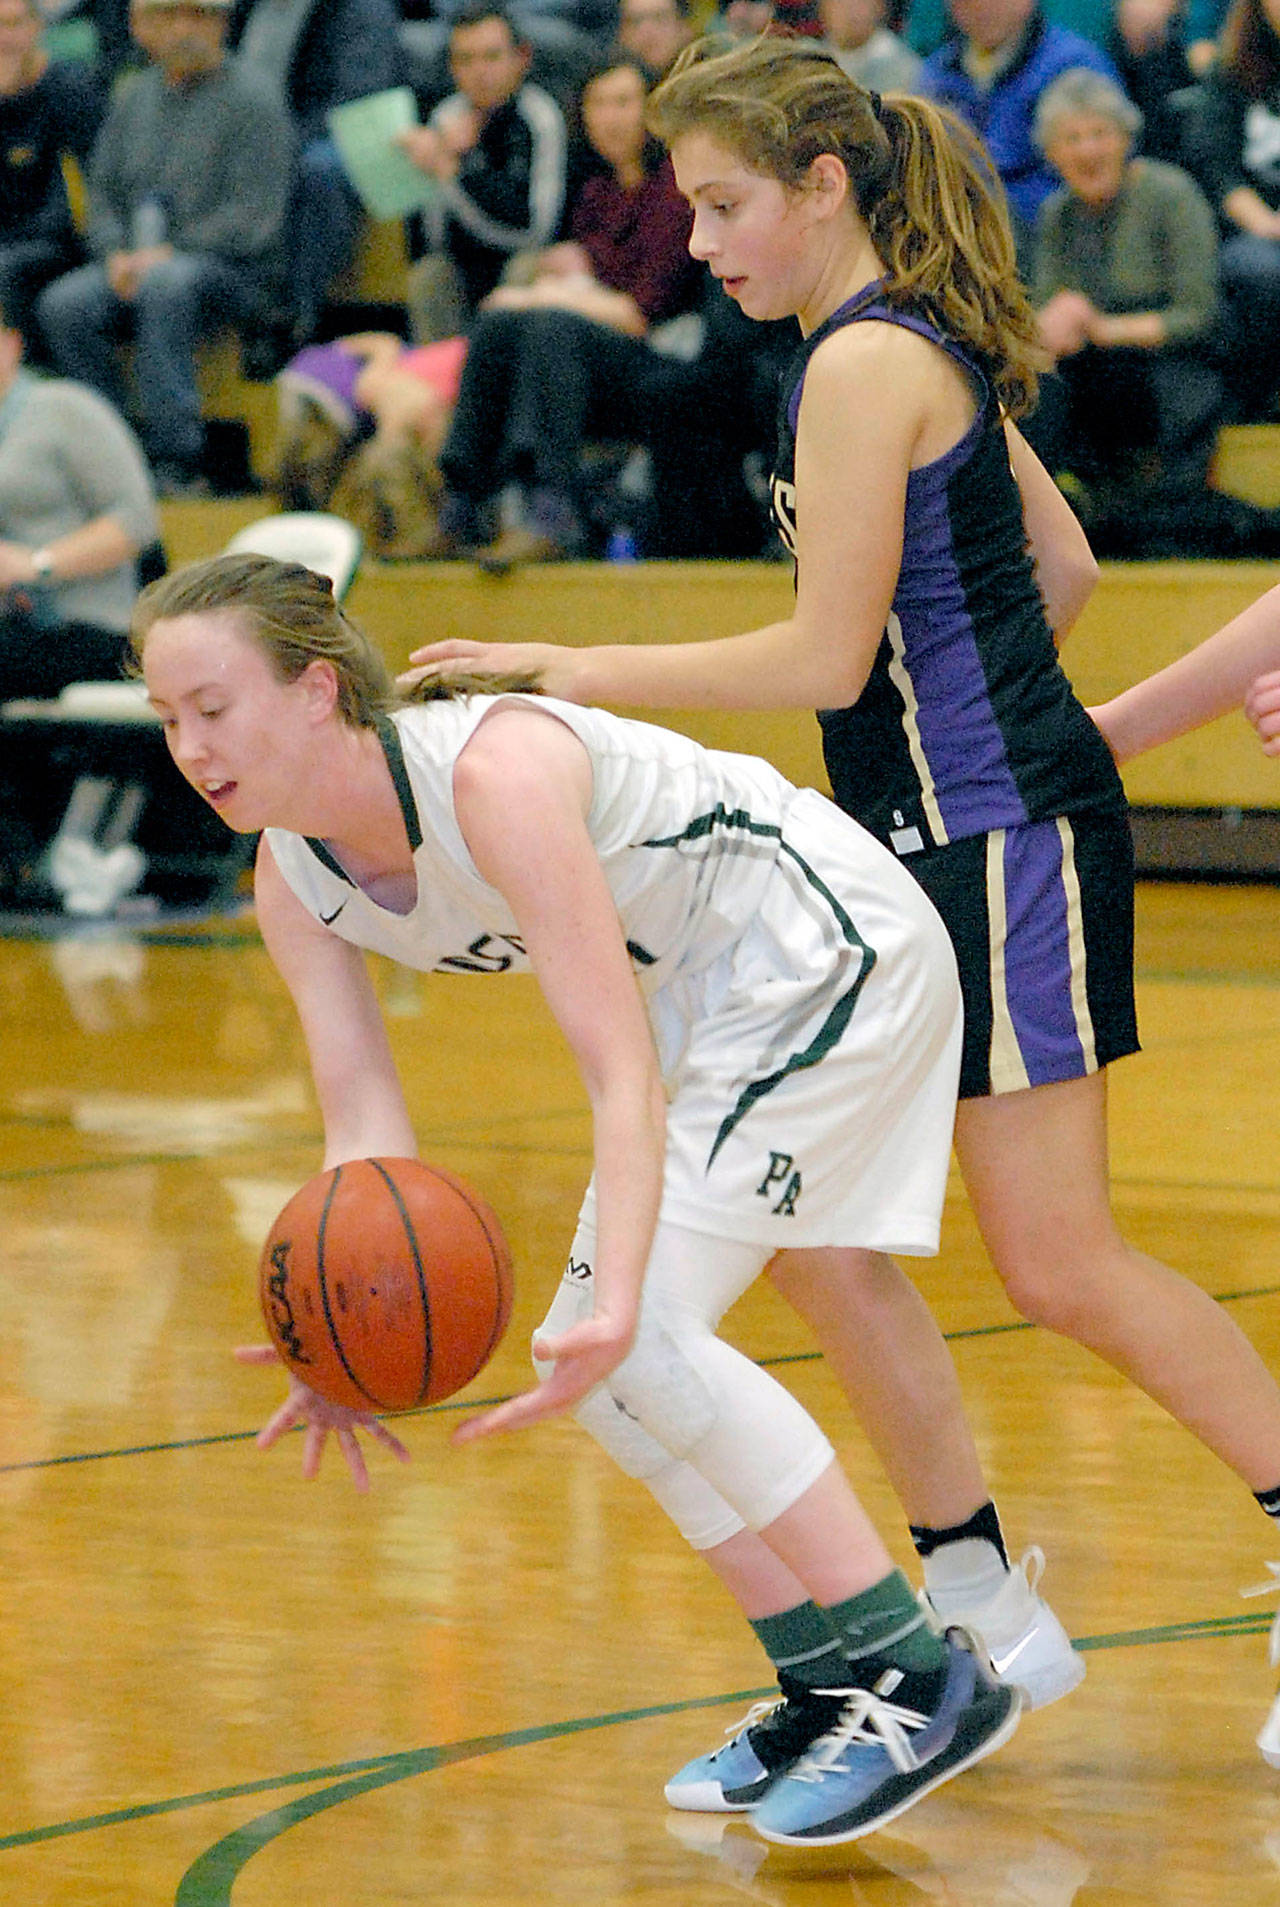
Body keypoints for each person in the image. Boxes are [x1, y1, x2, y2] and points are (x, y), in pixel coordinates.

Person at [402, 33, 1280, 1777]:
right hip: (911, 838)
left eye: (722, 206)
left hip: (992, 838)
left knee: (1060, 1263)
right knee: (815, 1229)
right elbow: (1064, 568)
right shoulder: (883, 346)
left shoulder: (867, 364)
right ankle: (975, 1592)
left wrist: (559, 662)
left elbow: (818, 649)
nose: (702, 244)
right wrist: (1018, 713)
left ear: (823, 189)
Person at [133, 548, 1022, 1845]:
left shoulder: (493, 775)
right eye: (166, 719)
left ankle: (920, 1675)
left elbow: (616, 1070)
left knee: (644, 1334)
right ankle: (824, 1677)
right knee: (593, 1361)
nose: (187, 745)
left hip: (824, 946)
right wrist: (330, 1324)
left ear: (319, 690)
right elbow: (362, 1126)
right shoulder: (292, 875)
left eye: (211, 708)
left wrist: (627, 1284)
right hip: (710, 1008)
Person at [425, 51, 703, 568]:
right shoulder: (595, 191)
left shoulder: (676, 188)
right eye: (598, 103)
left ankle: (552, 513)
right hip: (589, 362)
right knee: (501, 324)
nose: (611, 117)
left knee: (547, 324)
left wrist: (550, 295)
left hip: (668, 365)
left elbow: (640, 312)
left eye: (624, 102)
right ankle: (461, 503)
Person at [34, 0, 294, 495]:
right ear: (145, 26)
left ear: (222, 25)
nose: (183, 31)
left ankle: (177, 457)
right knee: (63, 303)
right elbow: (102, 192)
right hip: (138, 262)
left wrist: (168, 254)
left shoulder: (256, 99)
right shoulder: (134, 95)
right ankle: (110, 446)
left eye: (197, 17)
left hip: (237, 275)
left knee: (165, 285)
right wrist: (114, 252)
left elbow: (257, 217)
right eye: (170, 17)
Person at [1025, 66, 1230, 557]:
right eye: (1071, 139)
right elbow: (1047, 312)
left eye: (1099, 134)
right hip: (1094, 367)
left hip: (1174, 366)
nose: (1087, 150)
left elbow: (1200, 313)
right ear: (1052, 154)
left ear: (1125, 138)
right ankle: (1043, 511)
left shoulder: (1170, 193)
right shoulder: (1057, 214)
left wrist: (1101, 328)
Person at [0, 304, 157, 702]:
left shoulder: (65, 408)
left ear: (12, 343)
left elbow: (136, 520)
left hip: (86, 623)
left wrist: (35, 564)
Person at [228, 0, 404, 350]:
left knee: (317, 170)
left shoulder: (362, 10)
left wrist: (281, 145)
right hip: (262, 139)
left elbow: (355, 102)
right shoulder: (246, 10)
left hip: (349, 138)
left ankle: (294, 317)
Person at [398, 3, 569, 342]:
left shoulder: (541, 117)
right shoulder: (444, 118)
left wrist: (454, 172)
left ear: (522, 57)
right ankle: (437, 385)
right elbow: (430, 239)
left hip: (521, 263)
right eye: (465, 60)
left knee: (525, 269)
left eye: (491, 57)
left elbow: (534, 231)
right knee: (429, 275)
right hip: (463, 265)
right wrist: (422, 168)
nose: (479, 72)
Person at [917, 0, 1124, 259]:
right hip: (957, 226)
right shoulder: (936, 74)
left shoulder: (1072, 66)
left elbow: (1093, 179)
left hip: (1052, 238)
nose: (982, 8)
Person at [270, 332, 467, 554]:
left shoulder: (403, 377)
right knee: (382, 461)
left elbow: (384, 347)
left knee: (382, 460)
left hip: (315, 382)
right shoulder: (407, 385)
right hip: (322, 391)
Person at [1179, 0, 1280, 421]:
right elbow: (1218, 171)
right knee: (1261, 272)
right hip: (1256, 231)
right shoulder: (1235, 71)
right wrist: (1269, 224)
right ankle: (1258, 409)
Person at [0, 0, 103, 358]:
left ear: (37, 29)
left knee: (6, 270)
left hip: (67, 242)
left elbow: (81, 196)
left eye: (12, 25)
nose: (4, 39)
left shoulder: (70, 92)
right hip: (12, 239)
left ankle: (36, 378)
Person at [816, 0, 923, 94]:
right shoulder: (813, 61)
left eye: (860, 2)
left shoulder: (905, 68)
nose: (849, 9)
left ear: (879, 6)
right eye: (838, 2)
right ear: (823, 8)